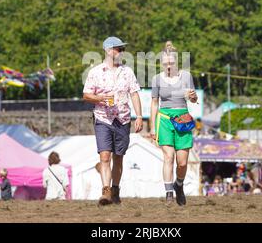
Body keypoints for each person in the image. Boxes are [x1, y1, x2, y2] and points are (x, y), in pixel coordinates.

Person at [83, 36, 143, 206]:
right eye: (118, 49)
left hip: (123, 119)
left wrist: (139, 116)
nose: (121, 52)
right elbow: (86, 95)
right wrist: (99, 98)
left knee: (119, 157)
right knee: (105, 156)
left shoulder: (127, 72)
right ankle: (106, 191)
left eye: (122, 49)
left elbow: (134, 93)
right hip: (103, 118)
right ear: (109, 51)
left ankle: (115, 190)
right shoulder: (95, 72)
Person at [149, 41, 198, 205]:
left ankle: (179, 185)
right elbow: (154, 103)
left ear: (176, 62)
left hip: (182, 118)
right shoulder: (156, 79)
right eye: (165, 63)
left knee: (182, 162)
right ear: (161, 63)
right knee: (168, 156)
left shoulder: (186, 76)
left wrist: (192, 96)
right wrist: (152, 128)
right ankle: (169, 193)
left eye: (171, 62)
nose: (168, 65)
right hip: (164, 120)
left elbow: (194, 99)